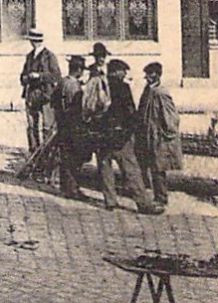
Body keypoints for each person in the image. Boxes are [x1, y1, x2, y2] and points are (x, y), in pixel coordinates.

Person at [96, 59, 162, 215]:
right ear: (117, 71)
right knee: (131, 170)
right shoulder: (123, 87)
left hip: (101, 134)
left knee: (105, 168)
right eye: (123, 71)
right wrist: (131, 130)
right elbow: (130, 112)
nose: (125, 74)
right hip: (119, 136)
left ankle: (110, 201)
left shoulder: (99, 84)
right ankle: (143, 203)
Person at [135, 62, 180, 209]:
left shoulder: (161, 93)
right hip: (147, 134)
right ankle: (149, 192)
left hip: (158, 137)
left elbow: (170, 116)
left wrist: (167, 135)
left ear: (157, 75)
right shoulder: (148, 90)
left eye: (150, 75)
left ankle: (161, 197)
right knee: (147, 164)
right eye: (146, 75)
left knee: (158, 168)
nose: (147, 78)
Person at [49, 54, 89, 198]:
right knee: (73, 158)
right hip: (72, 126)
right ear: (78, 70)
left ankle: (65, 188)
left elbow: (53, 101)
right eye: (82, 70)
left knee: (65, 157)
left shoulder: (62, 82)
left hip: (62, 124)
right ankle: (72, 189)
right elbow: (76, 108)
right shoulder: (73, 86)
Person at [19, 29, 60, 159]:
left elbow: (56, 76)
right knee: (31, 127)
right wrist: (26, 78)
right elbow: (22, 75)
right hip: (31, 95)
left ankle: (48, 155)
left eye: (33, 40)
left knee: (47, 127)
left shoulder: (50, 56)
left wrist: (39, 76)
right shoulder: (29, 56)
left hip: (46, 95)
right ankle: (34, 154)